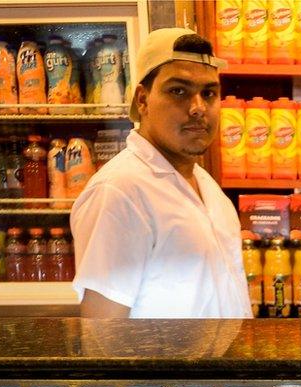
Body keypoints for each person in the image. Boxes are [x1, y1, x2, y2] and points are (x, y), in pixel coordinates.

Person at [71, 28, 251, 318]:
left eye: (209, 93)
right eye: (178, 91)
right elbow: (102, 335)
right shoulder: (120, 192)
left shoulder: (206, 187)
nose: (198, 108)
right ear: (142, 100)